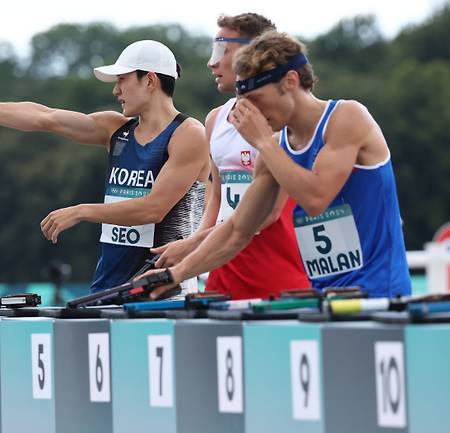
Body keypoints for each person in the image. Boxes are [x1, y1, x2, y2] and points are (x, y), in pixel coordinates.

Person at [145, 31, 411, 299]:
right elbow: (237, 229)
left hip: (378, 295)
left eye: (257, 100)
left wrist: (263, 142)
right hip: (323, 297)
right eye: (243, 102)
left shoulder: (347, 117)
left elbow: (316, 198)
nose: (250, 113)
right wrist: (175, 274)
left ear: (290, 81)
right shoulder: (276, 147)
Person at [0, 40, 209, 293]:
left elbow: (154, 209)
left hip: (166, 294)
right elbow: (43, 117)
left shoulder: (188, 134)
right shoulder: (115, 129)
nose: (116, 90)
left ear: (150, 80)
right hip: (108, 290)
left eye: (122, 80)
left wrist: (82, 211)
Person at [152, 13, 308, 300]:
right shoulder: (215, 119)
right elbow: (215, 200)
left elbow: (268, 214)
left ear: (252, 53)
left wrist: (191, 245)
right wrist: (194, 255)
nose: (212, 62)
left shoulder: (284, 121)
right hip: (222, 271)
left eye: (221, 50)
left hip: (277, 275)